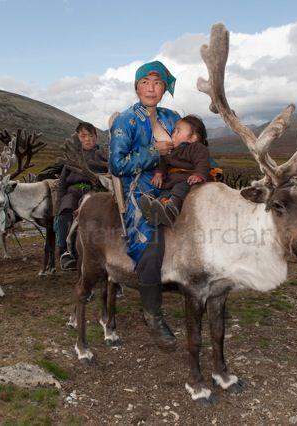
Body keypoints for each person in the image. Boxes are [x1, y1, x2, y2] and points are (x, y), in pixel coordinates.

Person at [109, 60, 180, 349]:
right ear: (137, 87)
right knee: (150, 244)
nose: (152, 88)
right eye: (145, 83)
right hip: (140, 192)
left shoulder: (172, 117)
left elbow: (188, 146)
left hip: (174, 186)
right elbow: (117, 164)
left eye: (158, 83)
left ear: (165, 88)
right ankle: (152, 315)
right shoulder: (126, 120)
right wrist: (154, 153)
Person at [139, 115, 211, 226]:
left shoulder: (197, 148)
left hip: (188, 179)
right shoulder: (171, 151)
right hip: (172, 181)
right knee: (165, 192)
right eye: (173, 131)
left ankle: (172, 210)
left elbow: (203, 162)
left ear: (193, 138)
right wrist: (159, 173)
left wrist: (199, 175)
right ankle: (155, 212)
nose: (173, 134)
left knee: (179, 188)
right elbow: (162, 162)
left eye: (178, 131)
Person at [56, 122, 108, 270]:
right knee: (65, 213)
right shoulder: (71, 157)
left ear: (96, 137)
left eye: (91, 135)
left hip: (95, 192)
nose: (88, 139)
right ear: (78, 138)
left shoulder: (103, 154)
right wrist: (58, 207)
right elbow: (62, 185)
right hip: (73, 192)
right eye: (83, 136)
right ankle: (66, 252)